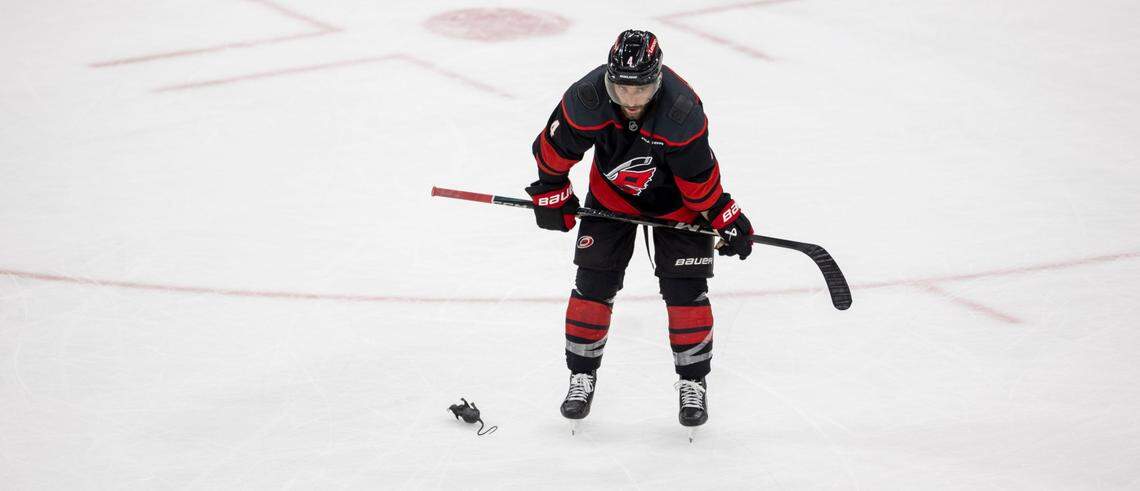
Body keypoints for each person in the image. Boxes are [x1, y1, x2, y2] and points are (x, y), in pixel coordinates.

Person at [525, 29, 754, 429]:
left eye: (641, 90)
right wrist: (551, 191)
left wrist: (724, 215)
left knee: (686, 288)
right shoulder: (587, 97)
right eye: (621, 89)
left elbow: (699, 180)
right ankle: (582, 374)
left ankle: (692, 382)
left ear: (659, 80)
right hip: (611, 197)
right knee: (593, 282)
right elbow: (554, 150)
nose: (630, 101)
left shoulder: (682, 111)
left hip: (678, 204)